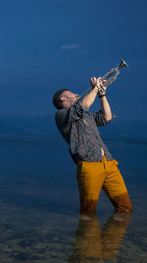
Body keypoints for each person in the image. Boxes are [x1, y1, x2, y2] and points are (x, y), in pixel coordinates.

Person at [53, 77, 132, 219]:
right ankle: (88, 238)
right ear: (63, 99)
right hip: (89, 164)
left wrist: (102, 94)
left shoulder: (86, 115)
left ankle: (115, 239)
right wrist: (95, 87)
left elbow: (106, 117)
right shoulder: (61, 115)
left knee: (125, 208)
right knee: (88, 211)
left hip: (108, 162)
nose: (76, 94)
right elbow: (83, 106)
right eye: (71, 93)